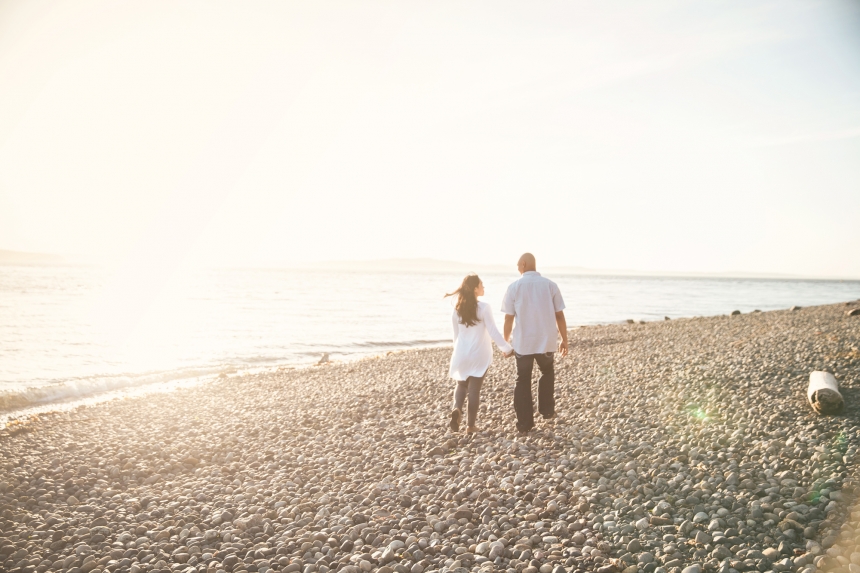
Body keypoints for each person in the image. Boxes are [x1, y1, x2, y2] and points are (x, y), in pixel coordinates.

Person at [502, 253, 568, 434]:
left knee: (522, 379)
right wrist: (564, 339)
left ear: (523, 264)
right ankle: (546, 410)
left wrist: (505, 343)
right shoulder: (550, 285)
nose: (517, 268)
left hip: (523, 342)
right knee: (547, 372)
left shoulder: (514, 287)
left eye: (517, 265)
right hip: (545, 341)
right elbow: (559, 315)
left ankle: (525, 424)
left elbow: (508, 319)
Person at [446, 274, 513, 433]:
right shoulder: (484, 307)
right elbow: (493, 332)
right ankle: (470, 426)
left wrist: (458, 355)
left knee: (461, 384)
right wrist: (507, 348)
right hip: (479, 354)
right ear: (475, 288)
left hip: (461, 353)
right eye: (481, 284)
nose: (484, 287)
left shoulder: (456, 311)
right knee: (474, 389)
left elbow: (456, 338)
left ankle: (457, 408)